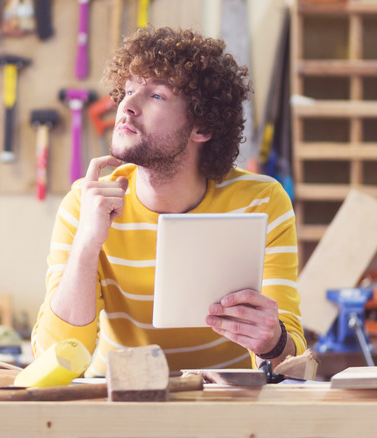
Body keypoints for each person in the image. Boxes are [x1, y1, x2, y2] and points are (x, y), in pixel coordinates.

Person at [32, 27, 306, 377]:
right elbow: (53, 360)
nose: (127, 106)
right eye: (128, 90)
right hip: (118, 405)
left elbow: (294, 368)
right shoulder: (85, 204)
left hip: (227, 410)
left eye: (156, 96)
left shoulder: (261, 202)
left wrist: (274, 342)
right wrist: (87, 243)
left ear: (202, 128)